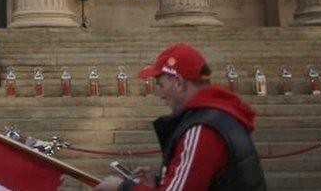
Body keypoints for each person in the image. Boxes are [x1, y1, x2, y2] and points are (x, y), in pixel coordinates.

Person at [95, 44, 266, 191]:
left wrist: (122, 187)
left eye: (161, 85)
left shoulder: (202, 129)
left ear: (178, 82)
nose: (161, 95)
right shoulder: (220, 115)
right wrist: (158, 182)